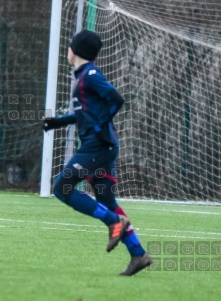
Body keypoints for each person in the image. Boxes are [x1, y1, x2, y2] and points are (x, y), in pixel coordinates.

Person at [43, 29, 152, 275]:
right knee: (106, 201)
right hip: (101, 146)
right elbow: (85, 114)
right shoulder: (82, 76)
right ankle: (138, 254)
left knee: (63, 189)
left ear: (76, 50)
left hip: (98, 146)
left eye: (70, 46)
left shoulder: (90, 75)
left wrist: (100, 124)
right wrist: (57, 122)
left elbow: (116, 99)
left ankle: (114, 223)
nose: (68, 50)